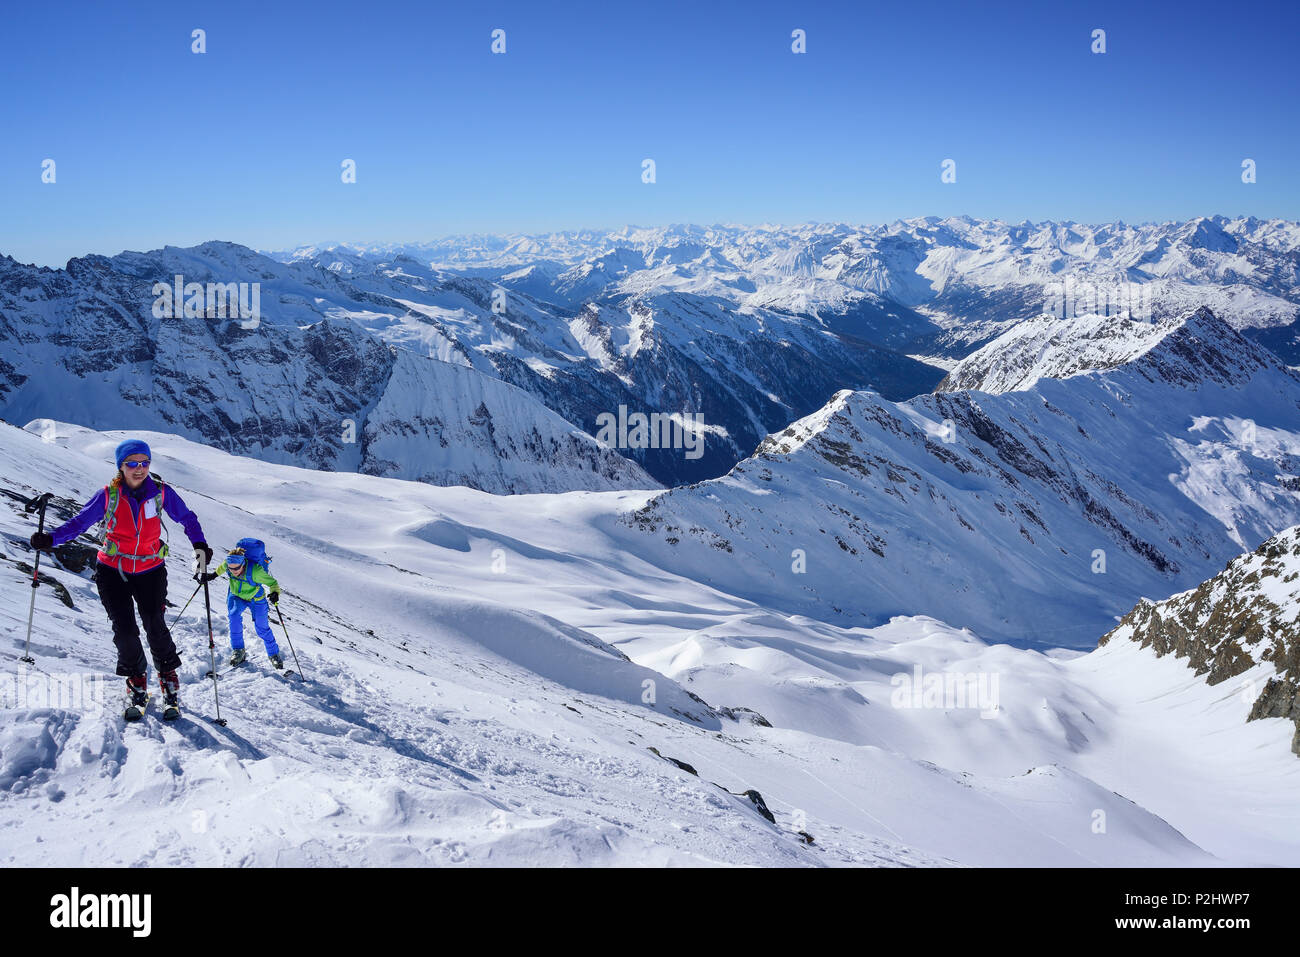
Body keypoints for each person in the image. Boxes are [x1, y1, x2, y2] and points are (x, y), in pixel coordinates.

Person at [30, 439, 211, 715]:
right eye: (132, 463)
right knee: (124, 629)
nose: (139, 469)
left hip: (151, 570)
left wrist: (199, 544)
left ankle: (167, 676)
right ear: (121, 466)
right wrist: (51, 539)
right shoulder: (109, 495)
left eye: (144, 463)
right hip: (112, 571)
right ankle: (136, 680)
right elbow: (80, 523)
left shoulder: (161, 493)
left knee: (154, 623)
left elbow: (187, 518)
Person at [205, 546, 284, 668]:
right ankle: (238, 651)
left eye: (236, 568)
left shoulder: (255, 571)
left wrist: (275, 593)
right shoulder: (228, 564)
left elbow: (272, 583)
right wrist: (212, 575)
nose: (233, 571)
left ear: (243, 563)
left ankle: (274, 654)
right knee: (234, 618)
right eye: (230, 569)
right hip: (236, 596)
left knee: (262, 628)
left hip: (256, 599)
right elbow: (221, 569)